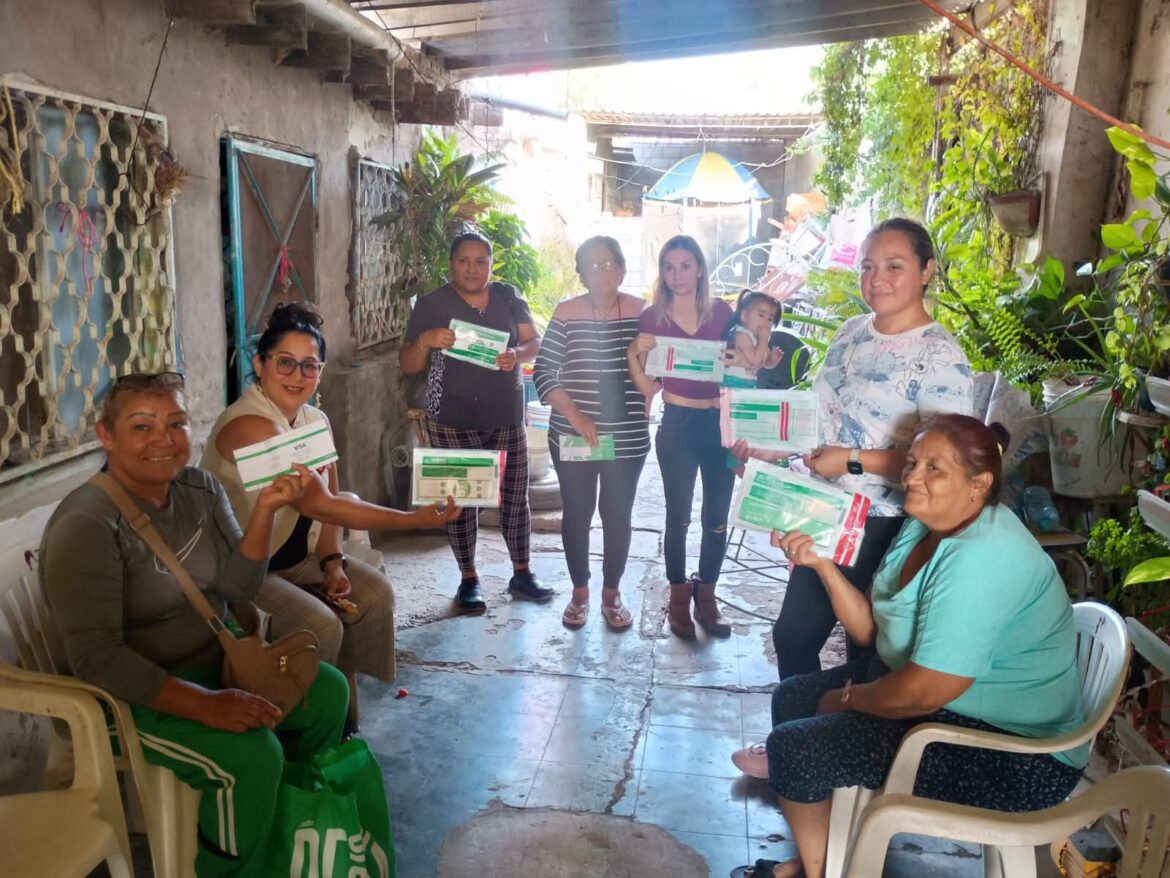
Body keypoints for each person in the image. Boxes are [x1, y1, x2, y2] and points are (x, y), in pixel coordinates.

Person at [735, 416, 1088, 878]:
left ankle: (820, 871)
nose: (913, 477)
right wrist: (821, 564)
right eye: (913, 463)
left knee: (795, 748)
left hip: (1014, 755)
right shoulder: (926, 526)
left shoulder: (985, 555)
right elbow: (871, 632)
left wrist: (846, 699)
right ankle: (819, 857)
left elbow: (923, 691)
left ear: (979, 483)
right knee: (791, 698)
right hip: (950, 709)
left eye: (934, 468)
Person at [40, 372, 349, 877]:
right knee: (251, 756)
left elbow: (237, 587)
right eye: (142, 427)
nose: (163, 440)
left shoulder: (199, 489)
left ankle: (288, 834)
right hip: (126, 700)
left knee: (327, 694)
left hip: (213, 662)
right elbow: (97, 659)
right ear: (107, 436)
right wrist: (207, 705)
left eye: (177, 424)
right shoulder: (88, 523)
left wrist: (266, 509)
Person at [733, 217, 973, 776]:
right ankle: (795, 749)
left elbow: (943, 464)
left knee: (867, 651)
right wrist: (772, 446)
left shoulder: (941, 356)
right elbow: (819, 417)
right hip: (823, 511)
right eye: (867, 266)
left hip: (888, 521)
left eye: (894, 266)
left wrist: (853, 460)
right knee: (794, 635)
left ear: (926, 271)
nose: (876, 278)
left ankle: (853, 765)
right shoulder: (849, 333)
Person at [203, 304, 458, 724]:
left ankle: (344, 715)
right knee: (320, 625)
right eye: (285, 363)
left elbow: (332, 505)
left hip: (296, 559)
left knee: (373, 595)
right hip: (245, 570)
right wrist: (413, 520)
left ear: (320, 372)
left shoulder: (315, 421)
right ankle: (304, 725)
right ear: (260, 365)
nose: (297, 376)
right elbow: (321, 503)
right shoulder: (247, 425)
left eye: (309, 366)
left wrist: (332, 561)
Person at [399, 231, 549, 612]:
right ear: (451, 264)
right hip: (452, 416)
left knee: (515, 495)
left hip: (505, 412)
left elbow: (534, 342)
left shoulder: (508, 296)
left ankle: (522, 571)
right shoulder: (432, 304)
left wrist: (516, 354)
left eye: (481, 261)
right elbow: (408, 364)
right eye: (464, 261)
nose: (472, 268)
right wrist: (425, 340)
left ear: (491, 265)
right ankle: (468, 578)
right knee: (462, 499)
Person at [533, 236, 649, 631]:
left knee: (617, 514)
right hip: (574, 433)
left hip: (627, 436)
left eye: (608, 263)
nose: (601, 272)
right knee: (578, 512)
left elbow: (659, 367)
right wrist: (575, 414)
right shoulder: (566, 312)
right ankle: (580, 592)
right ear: (581, 273)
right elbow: (544, 371)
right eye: (592, 265)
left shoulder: (642, 312)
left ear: (622, 268)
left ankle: (611, 593)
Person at [628, 234, 736, 638]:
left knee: (717, 518)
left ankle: (707, 595)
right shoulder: (652, 317)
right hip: (676, 423)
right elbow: (647, 386)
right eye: (669, 267)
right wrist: (632, 354)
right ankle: (677, 598)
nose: (677, 275)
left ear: (700, 269)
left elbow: (742, 368)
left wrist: (747, 356)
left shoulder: (722, 313)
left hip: (719, 425)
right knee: (678, 517)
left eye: (686, 265)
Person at [722, 289, 784, 389]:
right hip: (732, 382)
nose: (765, 322)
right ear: (744, 315)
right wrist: (763, 340)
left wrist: (773, 361)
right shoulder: (741, 335)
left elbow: (764, 364)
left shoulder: (759, 340)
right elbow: (755, 361)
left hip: (747, 384)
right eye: (761, 315)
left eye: (770, 319)